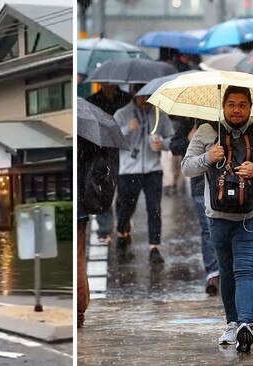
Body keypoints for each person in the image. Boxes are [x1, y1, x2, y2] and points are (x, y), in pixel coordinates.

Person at [182, 86, 253, 352]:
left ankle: (245, 325)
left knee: (246, 269)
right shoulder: (206, 131)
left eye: (242, 104)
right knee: (227, 271)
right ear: (223, 106)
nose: (237, 109)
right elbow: (186, 167)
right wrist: (208, 156)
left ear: (251, 107)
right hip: (218, 216)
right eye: (231, 104)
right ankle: (231, 323)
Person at [114, 87, 174, 266]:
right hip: (129, 169)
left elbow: (171, 137)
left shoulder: (159, 115)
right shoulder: (122, 113)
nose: (145, 99)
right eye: (142, 95)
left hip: (153, 169)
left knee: (154, 208)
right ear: (134, 93)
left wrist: (163, 144)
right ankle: (122, 229)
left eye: (148, 95)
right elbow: (113, 139)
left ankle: (154, 247)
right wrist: (127, 129)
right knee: (126, 206)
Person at [170, 117, 220, 295]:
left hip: (225, 183)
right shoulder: (189, 121)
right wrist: (188, 140)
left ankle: (226, 271)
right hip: (200, 185)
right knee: (208, 229)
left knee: (225, 227)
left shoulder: (227, 120)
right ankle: (213, 274)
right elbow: (174, 146)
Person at [77, 136, 119, 328]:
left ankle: (77, 311)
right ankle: (78, 311)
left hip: (78, 207)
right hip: (79, 208)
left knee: (77, 261)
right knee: (78, 260)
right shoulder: (85, 137)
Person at [86, 83, 132, 243]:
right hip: (102, 151)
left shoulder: (126, 100)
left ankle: (123, 223)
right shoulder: (92, 101)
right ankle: (105, 228)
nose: (109, 86)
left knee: (124, 190)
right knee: (104, 188)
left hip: (124, 151)